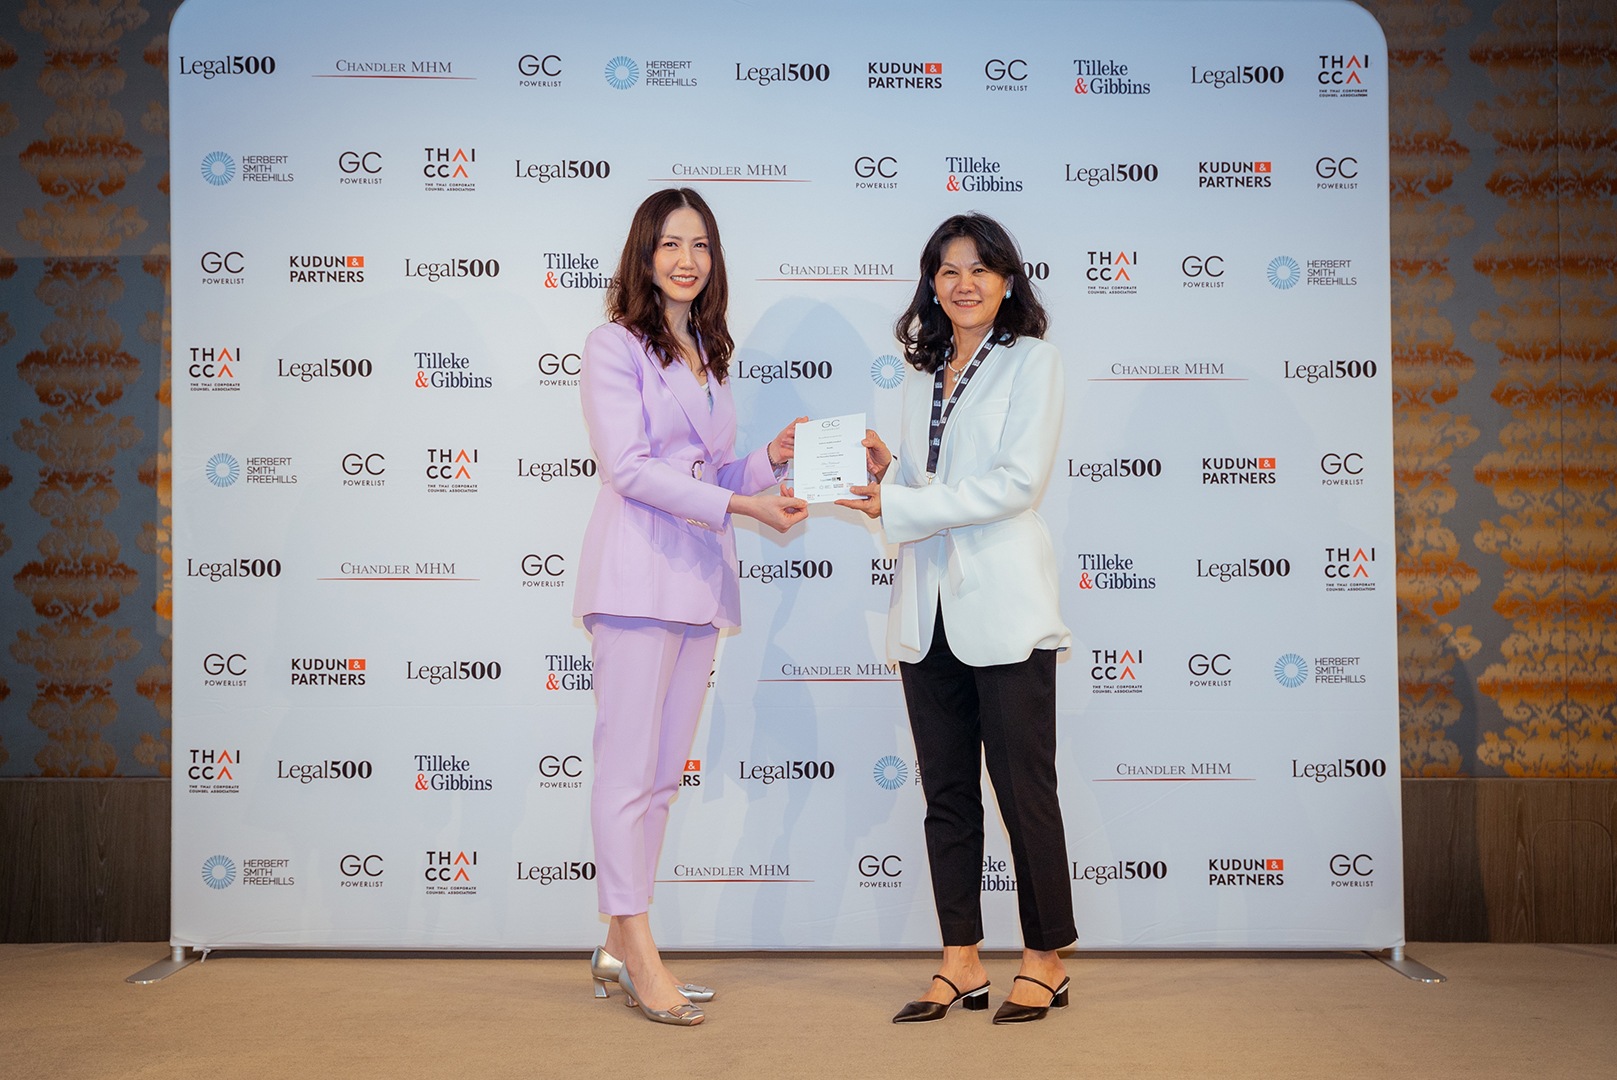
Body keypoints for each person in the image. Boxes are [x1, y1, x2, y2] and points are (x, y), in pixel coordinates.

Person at [573, 188, 807, 1027]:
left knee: (662, 779)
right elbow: (631, 470)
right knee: (627, 773)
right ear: (643, 255)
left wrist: (765, 460)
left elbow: (706, 473)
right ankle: (639, 952)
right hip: (635, 581)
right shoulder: (613, 345)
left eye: (700, 244)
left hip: (698, 585)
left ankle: (617, 944)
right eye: (670, 244)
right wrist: (742, 505)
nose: (686, 259)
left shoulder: (706, 349)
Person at [836, 213, 1076, 1025]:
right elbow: (924, 486)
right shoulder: (920, 375)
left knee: (1023, 792)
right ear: (930, 285)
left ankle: (1045, 960)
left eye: (979, 268)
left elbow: (1015, 484)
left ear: (1007, 280)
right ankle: (960, 960)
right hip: (925, 609)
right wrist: (887, 476)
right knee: (945, 794)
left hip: (1002, 605)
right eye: (947, 270)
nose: (963, 283)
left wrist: (904, 501)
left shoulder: (1032, 362)